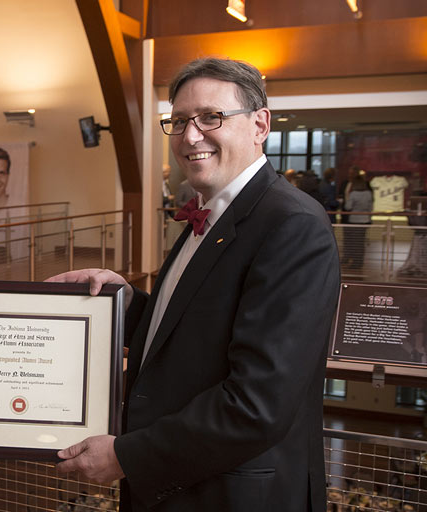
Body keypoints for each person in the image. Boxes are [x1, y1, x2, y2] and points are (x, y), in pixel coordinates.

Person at [48, 57, 340, 511]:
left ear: (260, 124)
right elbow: (194, 331)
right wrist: (123, 302)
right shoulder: (208, 213)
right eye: (180, 120)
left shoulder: (291, 224)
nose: (190, 136)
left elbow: (256, 404)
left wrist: (127, 455)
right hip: (182, 488)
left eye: (211, 117)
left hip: (232, 495)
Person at [342, 169, 373, 270]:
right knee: (360, 242)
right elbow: (370, 208)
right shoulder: (368, 193)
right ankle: (359, 261)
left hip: (354, 220)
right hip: (365, 220)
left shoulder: (354, 194)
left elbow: (348, 207)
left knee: (355, 242)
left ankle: (355, 262)